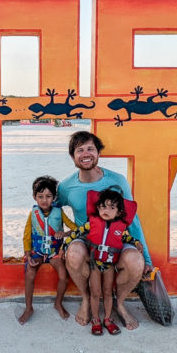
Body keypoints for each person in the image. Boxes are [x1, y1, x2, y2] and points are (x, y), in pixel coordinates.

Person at [56, 130, 152, 330]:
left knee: (135, 261)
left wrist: (148, 260)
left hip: (117, 237)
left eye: (91, 148)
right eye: (79, 150)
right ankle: (85, 298)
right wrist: (60, 241)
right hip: (87, 237)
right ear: (73, 156)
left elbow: (133, 221)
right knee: (73, 252)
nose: (86, 154)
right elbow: (54, 210)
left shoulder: (117, 181)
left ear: (98, 153)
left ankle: (120, 303)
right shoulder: (66, 186)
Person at [62, 188, 144, 336]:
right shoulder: (91, 224)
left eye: (112, 207)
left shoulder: (120, 229)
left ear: (118, 212)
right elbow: (76, 234)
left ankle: (107, 319)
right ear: (98, 208)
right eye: (103, 206)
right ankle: (95, 319)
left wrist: (137, 243)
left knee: (107, 293)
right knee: (95, 293)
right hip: (94, 264)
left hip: (109, 266)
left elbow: (128, 239)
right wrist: (64, 246)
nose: (106, 210)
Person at [19, 175, 77, 325]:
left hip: (54, 254)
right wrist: (27, 254)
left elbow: (75, 229)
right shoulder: (33, 214)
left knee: (64, 276)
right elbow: (26, 235)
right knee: (30, 274)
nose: (44, 200)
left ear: (54, 197)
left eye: (48, 196)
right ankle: (28, 308)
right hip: (37, 253)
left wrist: (64, 234)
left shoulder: (60, 212)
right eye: (40, 196)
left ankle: (58, 303)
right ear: (34, 197)